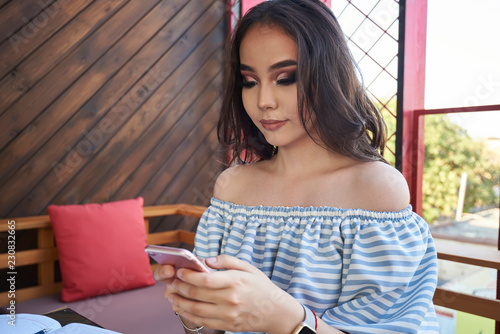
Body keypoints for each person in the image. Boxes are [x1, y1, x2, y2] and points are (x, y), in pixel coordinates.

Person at [155, 0, 439, 333]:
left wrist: (285, 318)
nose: (264, 101)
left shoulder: (377, 191)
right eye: (250, 81)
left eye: (285, 78)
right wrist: (193, 311)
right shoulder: (232, 188)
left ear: (330, 74)